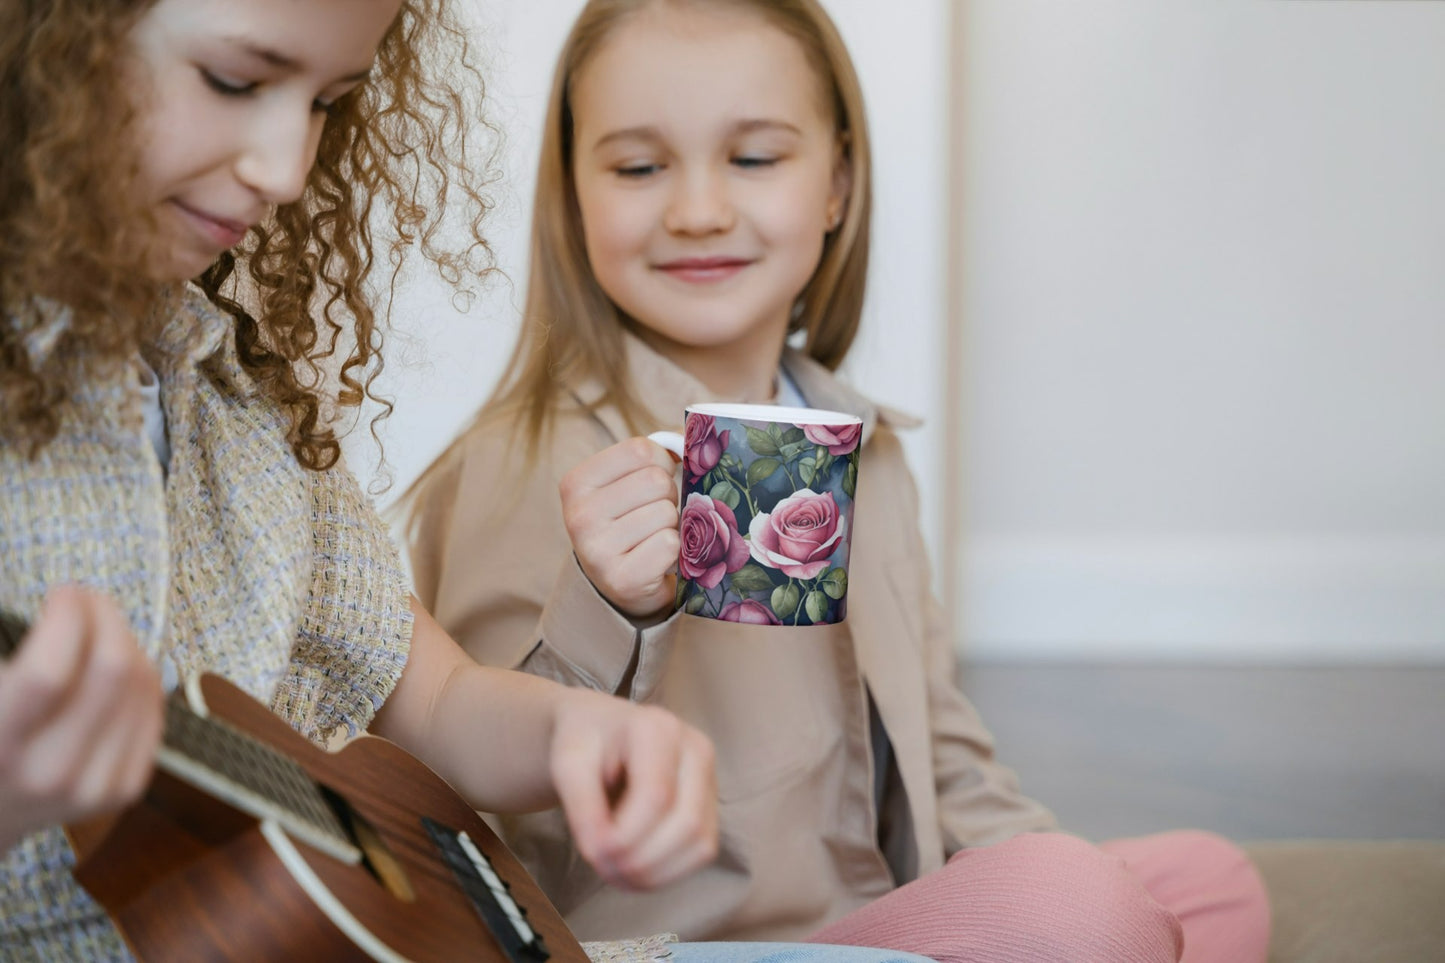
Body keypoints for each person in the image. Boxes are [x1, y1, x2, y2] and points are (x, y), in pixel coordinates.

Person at [0, 3, 932, 962]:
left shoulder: (237, 406)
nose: (285, 169)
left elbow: (441, 702)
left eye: (329, 101)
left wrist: (578, 731)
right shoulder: (517, 464)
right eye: (234, 82)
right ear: (46, 47)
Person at [402, 1, 1273, 961]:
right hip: (676, 946)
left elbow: (941, 748)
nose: (697, 209)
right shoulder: (524, 462)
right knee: (1079, 905)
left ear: (835, 185)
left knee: (1199, 879)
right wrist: (603, 605)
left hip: (872, 919)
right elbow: (469, 815)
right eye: (639, 167)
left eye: (754, 158)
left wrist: (1054, 874)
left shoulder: (871, 453)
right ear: (573, 195)